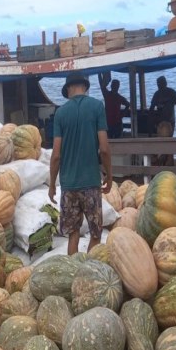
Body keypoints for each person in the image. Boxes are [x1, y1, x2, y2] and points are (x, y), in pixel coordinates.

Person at [49, 72, 112, 255]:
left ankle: (73, 274)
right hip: (91, 183)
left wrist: (53, 184)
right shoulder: (97, 107)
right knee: (95, 235)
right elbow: (105, 148)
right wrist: (109, 174)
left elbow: (56, 155)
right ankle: (87, 269)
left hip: (69, 186)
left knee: (73, 233)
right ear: (85, 86)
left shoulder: (60, 113)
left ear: (69, 88)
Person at [98, 72, 130, 138]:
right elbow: (101, 84)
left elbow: (128, 104)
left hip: (115, 123)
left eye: (115, 85)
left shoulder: (113, 96)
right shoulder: (109, 95)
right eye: (113, 85)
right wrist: (99, 73)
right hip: (110, 123)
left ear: (117, 86)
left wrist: (122, 115)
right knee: (111, 141)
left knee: (114, 141)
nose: (114, 86)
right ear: (112, 86)